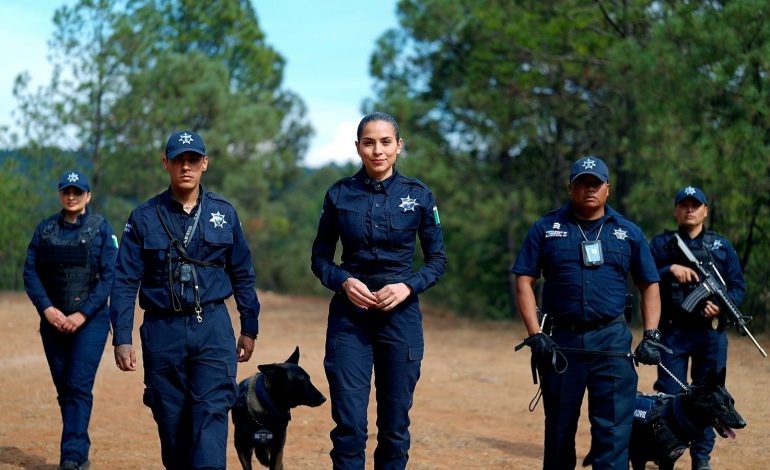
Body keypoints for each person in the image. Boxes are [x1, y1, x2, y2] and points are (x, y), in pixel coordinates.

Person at [109, 130, 260, 470]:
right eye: (179, 160)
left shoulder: (224, 213)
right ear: (166, 164)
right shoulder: (144, 217)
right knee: (171, 417)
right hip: (163, 329)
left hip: (213, 327)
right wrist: (121, 337)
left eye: (193, 159)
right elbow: (124, 281)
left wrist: (250, 326)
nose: (186, 166)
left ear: (205, 163)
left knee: (212, 412)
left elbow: (243, 273)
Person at [311, 111, 447, 469]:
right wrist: (343, 281)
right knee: (350, 427)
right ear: (358, 147)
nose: (377, 151)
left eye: (386, 142)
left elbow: (437, 261)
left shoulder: (419, 195)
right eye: (369, 143)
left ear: (399, 147)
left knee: (394, 428)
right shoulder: (339, 194)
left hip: (400, 320)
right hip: (349, 321)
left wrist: (407, 286)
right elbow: (321, 258)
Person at [512, 156, 663, 469]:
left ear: (608, 188)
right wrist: (535, 335)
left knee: (613, 433)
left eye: (596, 183)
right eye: (582, 183)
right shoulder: (546, 228)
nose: (589, 189)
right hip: (562, 344)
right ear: (571, 188)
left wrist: (651, 334)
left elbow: (649, 284)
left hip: (611, 342)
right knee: (559, 431)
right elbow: (524, 281)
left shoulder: (628, 232)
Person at [23, 170, 117, 470]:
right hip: (52, 322)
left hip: (90, 322)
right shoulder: (45, 229)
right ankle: (79, 447)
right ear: (60, 195)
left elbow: (109, 276)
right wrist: (47, 309)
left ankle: (72, 457)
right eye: (67, 191)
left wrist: (82, 313)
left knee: (77, 386)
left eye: (78, 191)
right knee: (65, 388)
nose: (72, 196)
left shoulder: (102, 229)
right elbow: (31, 272)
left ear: (88, 196)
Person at [650, 186, 746, 470]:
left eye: (696, 205)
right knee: (669, 394)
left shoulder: (721, 246)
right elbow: (642, 278)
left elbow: (738, 288)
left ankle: (701, 457)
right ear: (675, 210)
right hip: (673, 332)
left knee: (710, 400)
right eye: (684, 205)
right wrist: (669, 270)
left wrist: (721, 306)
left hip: (710, 334)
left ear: (705, 210)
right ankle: (667, 451)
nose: (690, 209)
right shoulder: (661, 245)